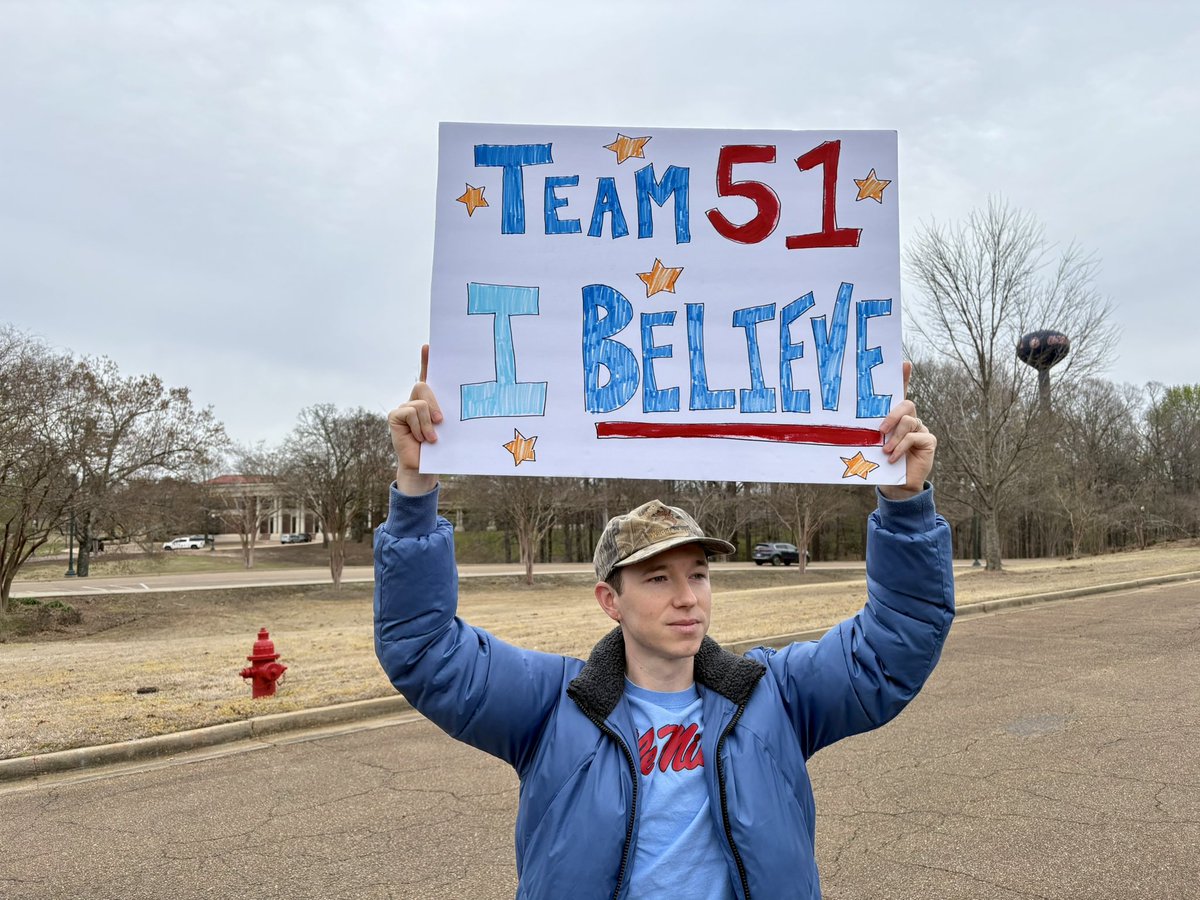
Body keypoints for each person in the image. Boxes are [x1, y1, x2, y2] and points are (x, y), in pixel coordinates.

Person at [375, 346, 954, 899]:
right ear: (610, 600)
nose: (687, 598)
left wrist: (903, 506)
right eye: (657, 579)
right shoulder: (553, 707)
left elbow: (892, 644)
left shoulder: (775, 694)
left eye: (698, 574)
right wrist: (416, 489)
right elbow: (425, 649)